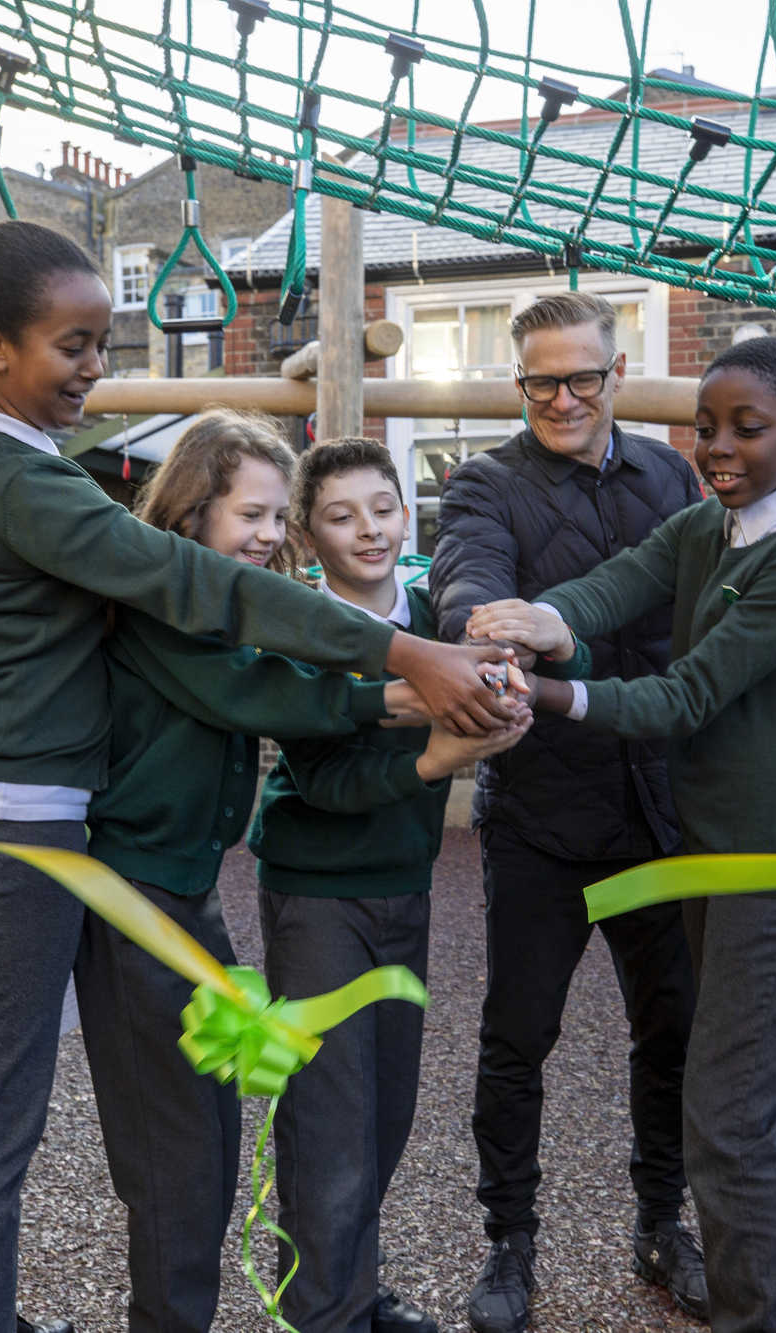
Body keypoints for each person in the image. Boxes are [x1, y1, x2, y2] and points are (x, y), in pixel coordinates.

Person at [0, 220, 514, 1333]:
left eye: (100, 340)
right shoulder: (20, 482)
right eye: (71, 344)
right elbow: (212, 615)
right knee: (6, 1129)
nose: (94, 364)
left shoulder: (19, 467)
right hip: (11, 819)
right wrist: (400, 661)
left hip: (26, 815)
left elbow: (236, 646)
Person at [464, 334, 776, 1332]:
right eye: (704, 426)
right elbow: (618, 581)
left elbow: (686, 693)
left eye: (747, 428)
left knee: (724, 1114)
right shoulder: (714, 524)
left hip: (775, 859)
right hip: (709, 842)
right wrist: (540, 616)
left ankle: (761, 1312)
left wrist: (549, 688)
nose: (718, 446)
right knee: (745, 1068)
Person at [72, 411, 437, 1333]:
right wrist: (410, 687)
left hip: (182, 890)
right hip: (133, 890)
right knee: (179, 1150)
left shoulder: (215, 601)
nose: (270, 537)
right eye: (256, 516)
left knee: (217, 1125)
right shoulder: (163, 603)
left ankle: (314, 1294)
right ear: (194, 510)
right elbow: (260, 692)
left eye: (279, 519)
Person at [428, 291, 704, 1331]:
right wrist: (476, 628)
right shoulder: (485, 485)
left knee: (670, 1028)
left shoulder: (670, 477)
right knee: (516, 1034)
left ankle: (660, 1223)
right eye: (540, 380)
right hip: (542, 807)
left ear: (614, 373)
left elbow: (696, 606)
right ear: (518, 384)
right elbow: (465, 582)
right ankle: (508, 1245)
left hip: (657, 804)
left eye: (580, 376)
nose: (561, 397)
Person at [249, 438, 532, 1333]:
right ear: (307, 532)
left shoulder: (444, 615)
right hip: (319, 892)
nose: (368, 528)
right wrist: (442, 756)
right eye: (341, 514)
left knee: (387, 1110)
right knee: (330, 1119)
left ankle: (348, 1289)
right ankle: (324, 1313)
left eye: (383, 506)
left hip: (402, 884)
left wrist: (506, 710)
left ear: (408, 513)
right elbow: (326, 781)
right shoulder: (299, 626)